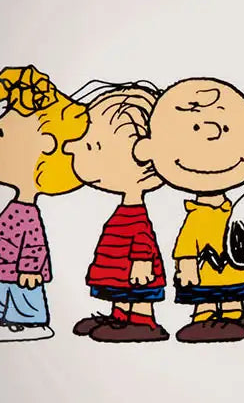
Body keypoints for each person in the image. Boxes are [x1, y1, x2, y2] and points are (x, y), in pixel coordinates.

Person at [133, 78, 244, 343]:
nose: (212, 135)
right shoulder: (197, 216)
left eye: (226, 129)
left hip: (237, 271)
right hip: (205, 272)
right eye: (195, 128)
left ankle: (234, 316)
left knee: (234, 299)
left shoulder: (237, 211)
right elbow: (187, 243)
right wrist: (186, 265)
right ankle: (204, 318)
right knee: (205, 299)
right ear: (148, 150)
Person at [0, 65, 87, 341]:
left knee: (21, 292)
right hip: (1, 265)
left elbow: (34, 243)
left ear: (45, 146)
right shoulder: (16, 208)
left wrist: (31, 268)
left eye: (2, 134)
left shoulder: (27, 214)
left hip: (17, 269)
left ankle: (29, 323)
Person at [65, 82, 169, 342]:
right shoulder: (124, 210)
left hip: (136, 270)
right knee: (122, 291)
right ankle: (120, 317)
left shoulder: (136, 215)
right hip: (120, 269)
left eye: (93, 146)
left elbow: (143, 238)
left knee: (138, 294)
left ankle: (144, 321)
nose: (71, 148)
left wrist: (143, 262)